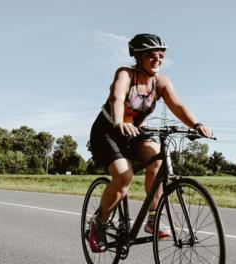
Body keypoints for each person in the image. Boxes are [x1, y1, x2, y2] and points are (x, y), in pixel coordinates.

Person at [86, 33, 213, 252]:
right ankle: (98, 223)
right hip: (108, 131)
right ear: (138, 57)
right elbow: (117, 98)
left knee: (157, 159)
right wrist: (119, 122)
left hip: (134, 131)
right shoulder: (126, 74)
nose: (157, 59)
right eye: (151, 55)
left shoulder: (161, 82)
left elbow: (178, 105)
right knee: (124, 177)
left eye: (161, 55)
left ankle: (153, 218)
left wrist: (196, 124)